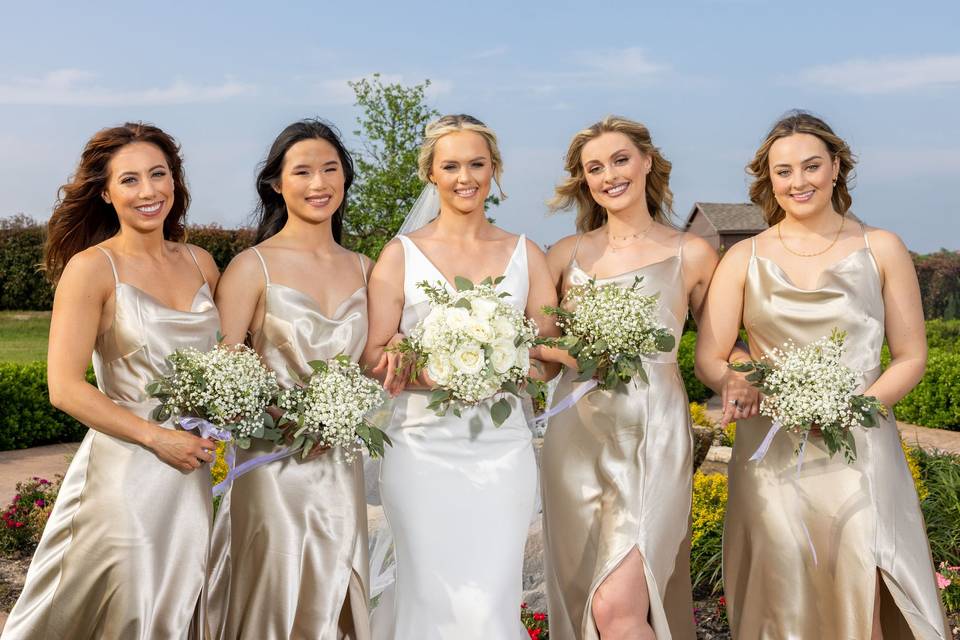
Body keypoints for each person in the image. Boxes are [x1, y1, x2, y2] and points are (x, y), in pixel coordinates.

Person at [695, 110, 950, 638]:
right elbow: (712, 355)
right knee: (783, 596)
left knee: (865, 582)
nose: (798, 182)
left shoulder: (881, 248)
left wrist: (855, 411)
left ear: (836, 166)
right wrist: (738, 377)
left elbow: (910, 355)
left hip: (860, 447)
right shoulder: (744, 257)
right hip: (771, 452)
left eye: (811, 166)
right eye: (783, 172)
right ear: (769, 179)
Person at [2, 123, 221, 639]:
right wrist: (156, 437)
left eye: (158, 174)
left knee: (176, 605)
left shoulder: (202, 264)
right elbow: (65, 387)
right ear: (105, 192)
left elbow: (235, 357)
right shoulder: (91, 269)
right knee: (127, 607)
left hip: (191, 476)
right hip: (125, 476)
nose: (148, 191)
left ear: (175, 180)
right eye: (130, 180)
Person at [362, 114, 560, 639]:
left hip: (500, 450)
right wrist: (430, 366)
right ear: (431, 173)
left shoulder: (526, 254)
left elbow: (547, 356)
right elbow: (372, 356)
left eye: (477, 163)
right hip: (420, 446)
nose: (464, 176)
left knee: (488, 596)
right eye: (450, 165)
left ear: (495, 170)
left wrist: (504, 363)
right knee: (429, 590)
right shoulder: (399, 255)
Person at [540, 115, 720, 639]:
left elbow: (721, 352)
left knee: (616, 606)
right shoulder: (564, 255)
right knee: (583, 597)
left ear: (646, 161)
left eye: (620, 160)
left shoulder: (693, 253)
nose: (609, 175)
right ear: (584, 181)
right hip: (574, 439)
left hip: (652, 437)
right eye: (594, 168)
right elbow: (543, 353)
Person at [206, 119, 372, 639]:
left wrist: (346, 411)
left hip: (341, 466)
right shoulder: (251, 267)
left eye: (330, 169)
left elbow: (378, 365)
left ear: (345, 178)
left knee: (338, 595)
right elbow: (226, 366)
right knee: (274, 600)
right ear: (277, 183)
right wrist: (289, 417)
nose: (319, 183)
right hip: (272, 465)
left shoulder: (370, 269)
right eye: (302, 171)